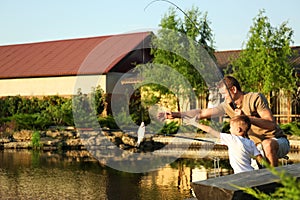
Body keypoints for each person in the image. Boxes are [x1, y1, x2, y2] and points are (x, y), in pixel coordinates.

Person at [159, 76, 290, 167]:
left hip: (277, 141)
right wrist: (176, 114)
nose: (223, 97)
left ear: (233, 89)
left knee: (267, 144)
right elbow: (202, 113)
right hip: (255, 149)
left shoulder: (255, 98)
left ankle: (274, 181)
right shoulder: (227, 106)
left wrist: (247, 118)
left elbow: (271, 124)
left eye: (224, 94)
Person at [186, 115, 263, 174]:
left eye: (230, 127)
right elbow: (259, 158)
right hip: (251, 172)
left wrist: (194, 123)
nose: (229, 130)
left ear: (238, 129)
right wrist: (263, 171)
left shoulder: (231, 138)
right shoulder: (250, 142)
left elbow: (209, 130)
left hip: (240, 174)